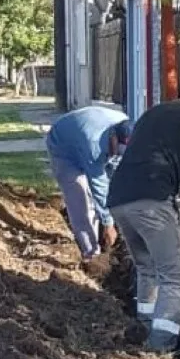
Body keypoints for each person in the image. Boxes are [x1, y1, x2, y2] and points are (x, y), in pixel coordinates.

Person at [107, 78, 180, 352]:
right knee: (175, 276)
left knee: (146, 267)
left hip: (119, 197)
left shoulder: (151, 113)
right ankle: (160, 349)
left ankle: (143, 326)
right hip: (151, 201)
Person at [44, 105, 131, 262]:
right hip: (63, 147)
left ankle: (101, 234)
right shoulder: (94, 143)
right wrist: (108, 223)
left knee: (105, 196)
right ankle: (90, 253)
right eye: (117, 150)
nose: (118, 154)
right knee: (80, 197)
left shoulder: (126, 127)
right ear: (113, 137)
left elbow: (116, 174)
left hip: (84, 134)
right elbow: (98, 186)